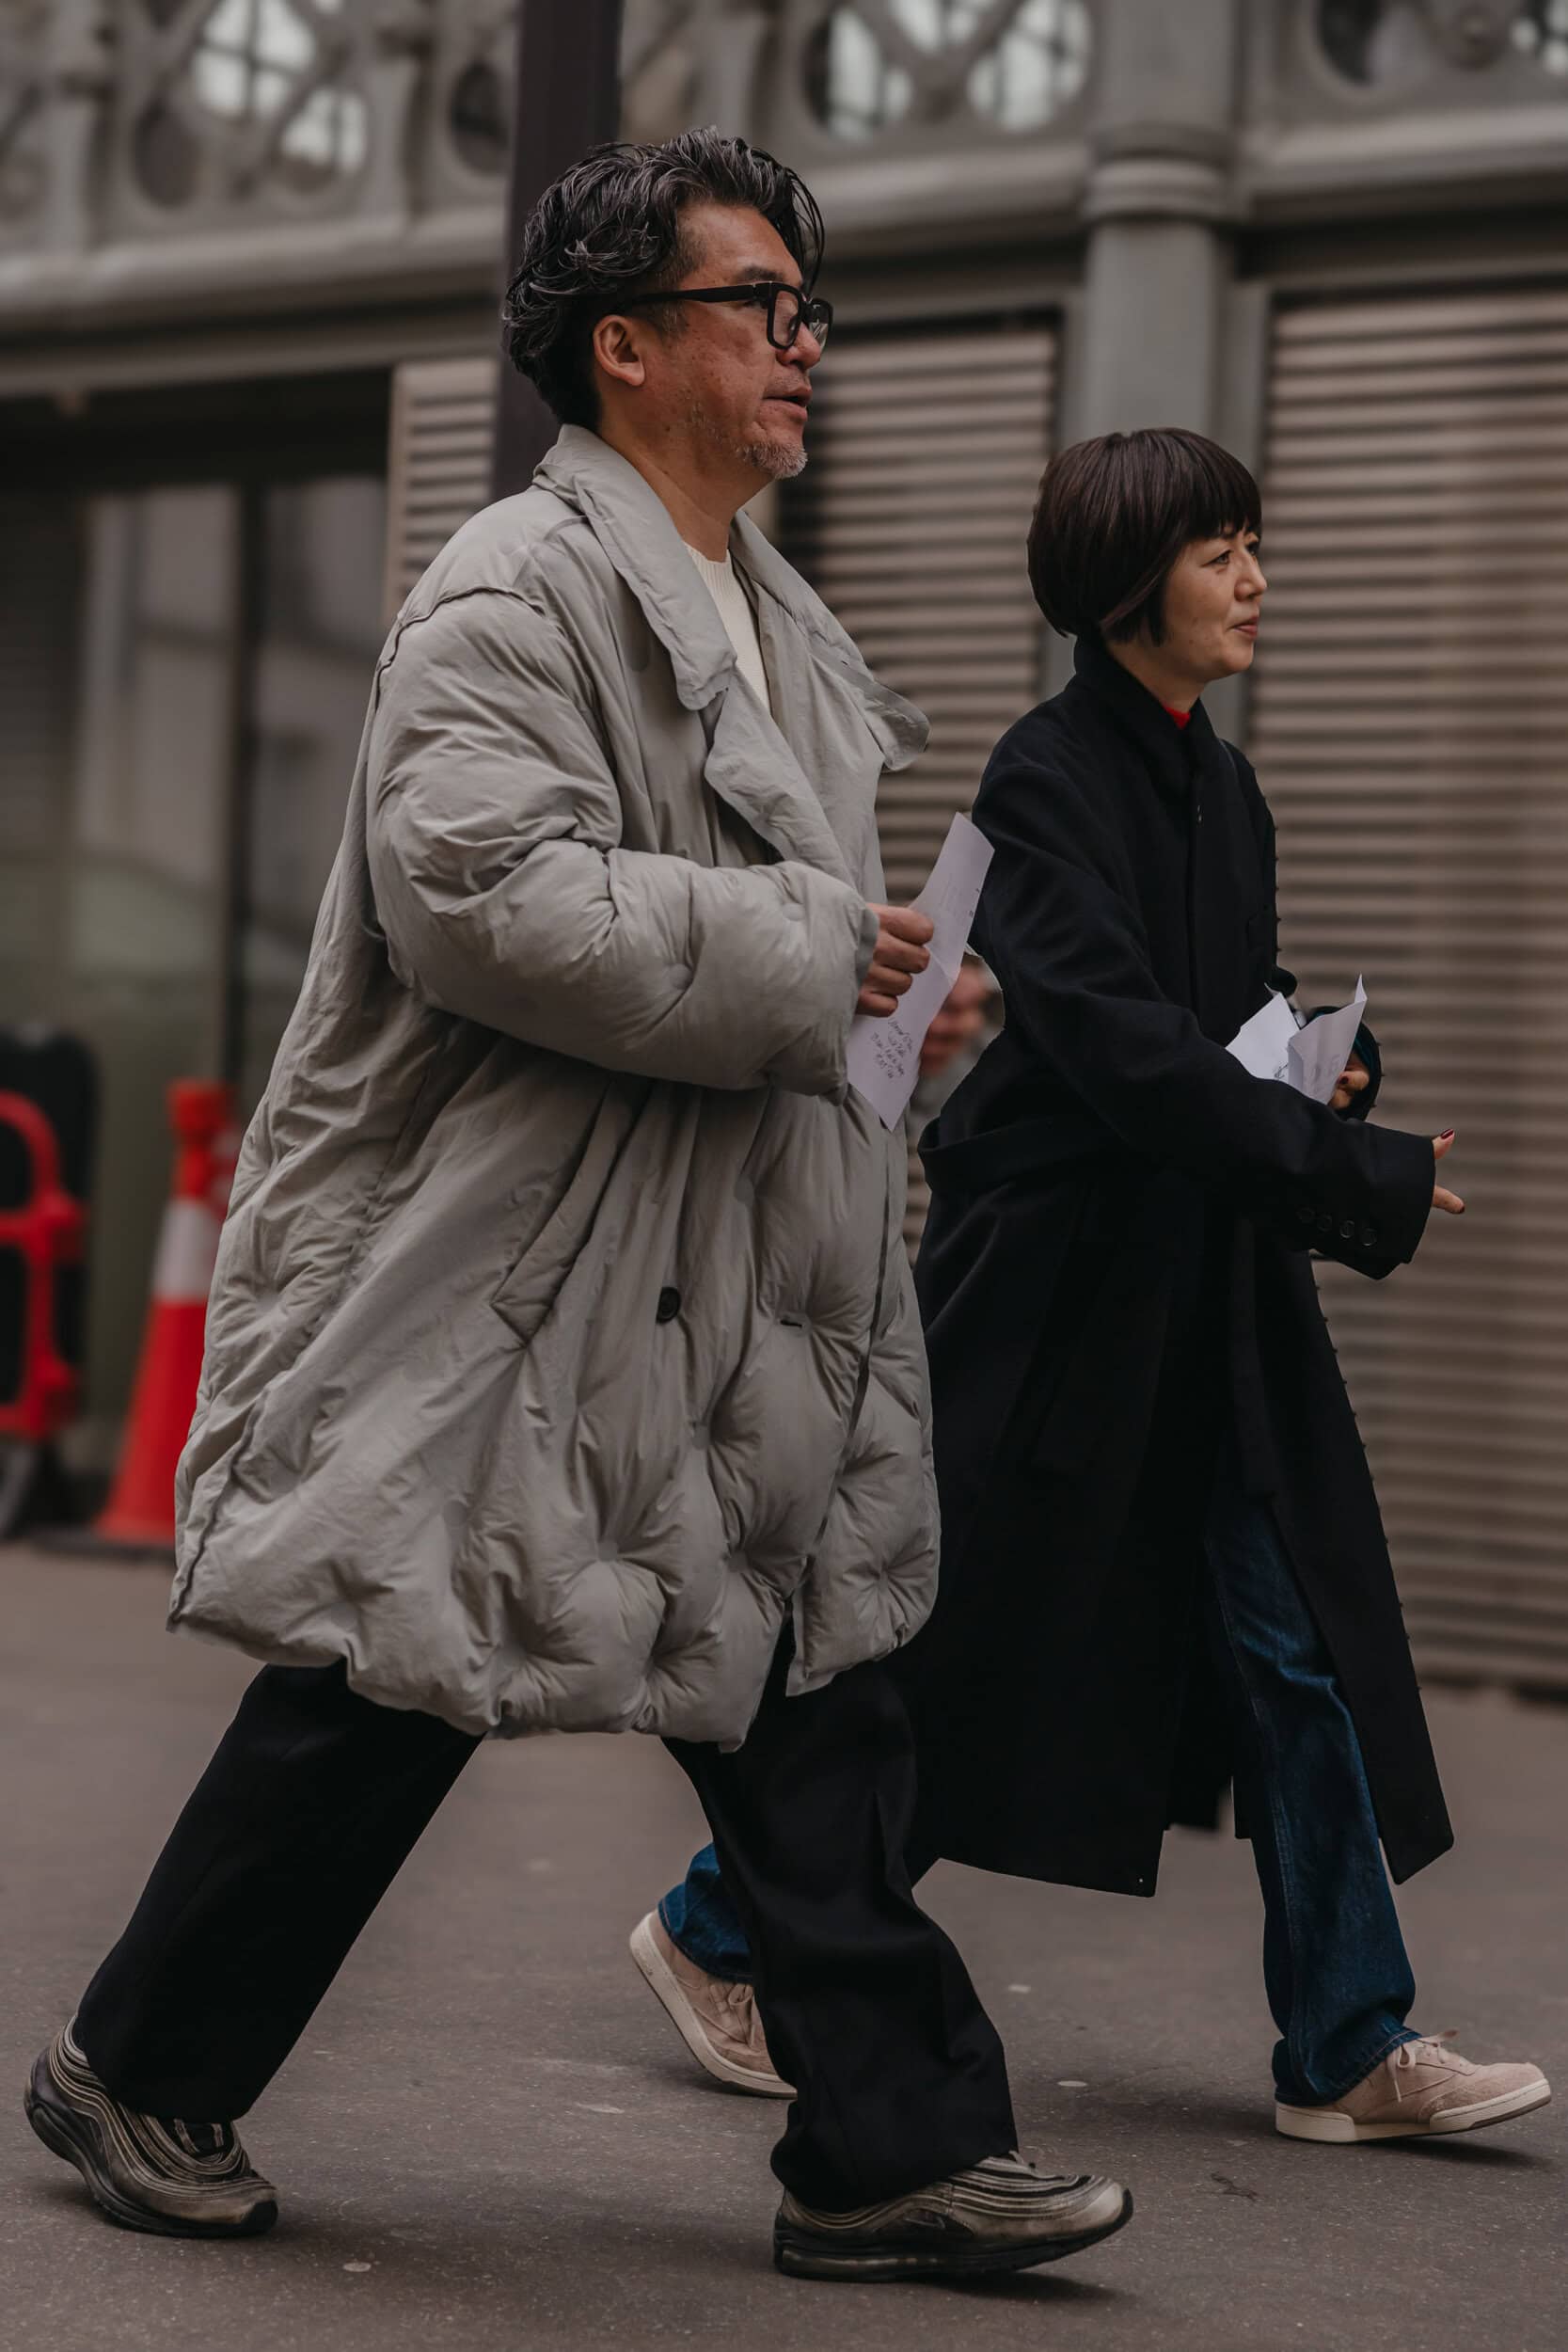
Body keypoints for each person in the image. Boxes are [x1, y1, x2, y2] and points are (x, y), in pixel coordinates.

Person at [23, 131, 1138, 2285]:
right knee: (398, 1672)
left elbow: (785, 944)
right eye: (763, 307)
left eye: (809, 308)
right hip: (533, 1266)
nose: (806, 346)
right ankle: (135, 2055)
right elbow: (482, 895)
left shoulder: (774, 616)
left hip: (744, 1267)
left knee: (811, 1683)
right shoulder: (513, 590)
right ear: (626, 349)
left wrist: (903, 997)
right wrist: (822, 952)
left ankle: (885, 2146)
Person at [636, 427, 1551, 2149]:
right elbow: (1125, 1051)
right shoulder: (1046, 776)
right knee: (949, 1639)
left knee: (1302, 1649)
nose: (1256, 580)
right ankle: (713, 1924)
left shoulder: (1225, 781)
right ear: (1131, 582)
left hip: (1201, 1293)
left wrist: (1324, 1070)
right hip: (1054, 1309)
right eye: (1221, 552)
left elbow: (1221, 1009)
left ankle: (1350, 2042)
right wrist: (1347, 1170)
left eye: (1254, 545)